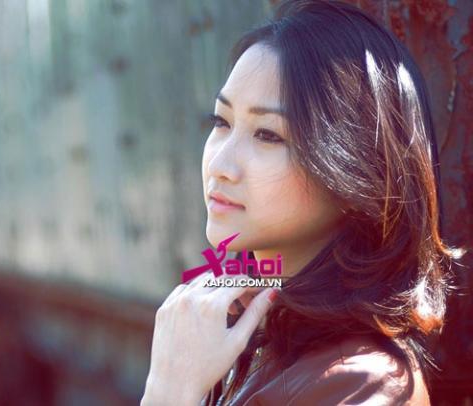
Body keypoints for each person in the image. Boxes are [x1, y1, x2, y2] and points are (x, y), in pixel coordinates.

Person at [140, 1, 466, 405]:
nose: (220, 166)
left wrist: (169, 391)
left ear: (355, 170)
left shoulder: (361, 385)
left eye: (268, 135)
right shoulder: (256, 339)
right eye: (221, 122)